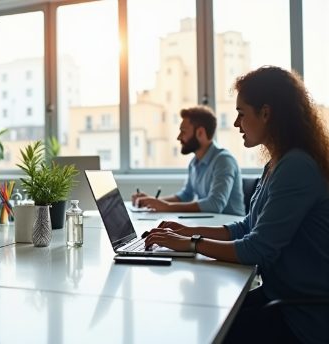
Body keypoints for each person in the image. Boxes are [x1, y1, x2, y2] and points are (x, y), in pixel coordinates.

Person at [144, 66, 329, 343]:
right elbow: (248, 226)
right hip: (281, 296)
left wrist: (191, 243)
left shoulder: (296, 166)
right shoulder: (278, 162)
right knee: (203, 315)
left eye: (242, 113)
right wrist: (185, 231)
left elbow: (257, 249)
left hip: (301, 316)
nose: (235, 123)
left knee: (205, 330)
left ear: (266, 113)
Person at [132, 106, 245, 216]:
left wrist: (167, 206)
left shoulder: (224, 160)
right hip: (210, 224)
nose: (179, 137)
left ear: (200, 132)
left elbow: (215, 205)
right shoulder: (194, 163)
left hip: (230, 228)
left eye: (183, 132)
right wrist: (152, 201)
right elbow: (186, 195)